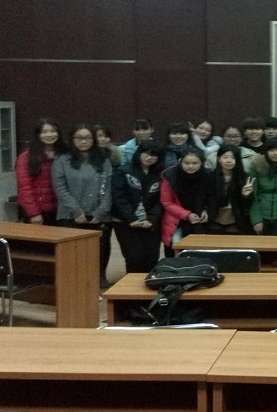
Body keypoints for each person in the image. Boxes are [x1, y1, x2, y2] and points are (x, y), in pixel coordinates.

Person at [52, 124, 113, 286]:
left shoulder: (103, 159)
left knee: (100, 249)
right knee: (74, 253)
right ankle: (76, 284)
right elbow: (61, 188)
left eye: (87, 138)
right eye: (79, 138)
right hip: (70, 215)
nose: (83, 141)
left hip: (99, 214)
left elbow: (108, 187)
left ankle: (99, 279)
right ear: (72, 140)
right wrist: (76, 211)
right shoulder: (62, 160)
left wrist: (100, 212)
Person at [111, 139, 166, 273]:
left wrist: (152, 219)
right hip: (125, 221)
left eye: (154, 155)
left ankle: (149, 284)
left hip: (151, 221)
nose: (149, 157)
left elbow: (163, 199)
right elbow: (119, 197)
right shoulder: (123, 171)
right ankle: (132, 285)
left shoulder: (162, 174)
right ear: (139, 153)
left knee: (152, 257)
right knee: (134, 257)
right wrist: (131, 218)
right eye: (146, 153)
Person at [160, 147, 212, 257]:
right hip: (177, 220)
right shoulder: (170, 175)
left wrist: (206, 209)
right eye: (187, 163)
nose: (190, 166)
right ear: (180, 162)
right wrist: (187, 215)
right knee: (176, 252)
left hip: (201, 221)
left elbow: (212, 197)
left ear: (202, 163)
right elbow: (167, 202)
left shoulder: (208, 175)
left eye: (195, 163)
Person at [16, 117, 67, 225]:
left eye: (53, 131)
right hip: (38, 211)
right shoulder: (26, 157)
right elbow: (25, 188)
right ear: (38, 135)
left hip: (61, 210)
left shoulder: (65, 154)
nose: (49, 135)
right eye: (44, 132)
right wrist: (34, 213)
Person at [207, 144, 254, 235]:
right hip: (214, 219)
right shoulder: (210, 177)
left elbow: (247, 206)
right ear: (219, 159)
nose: (229, 160)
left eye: (233, 158)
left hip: (236, 220)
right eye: (225, 157)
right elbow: (204, 198)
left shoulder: (244, 177)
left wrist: (245, 195)